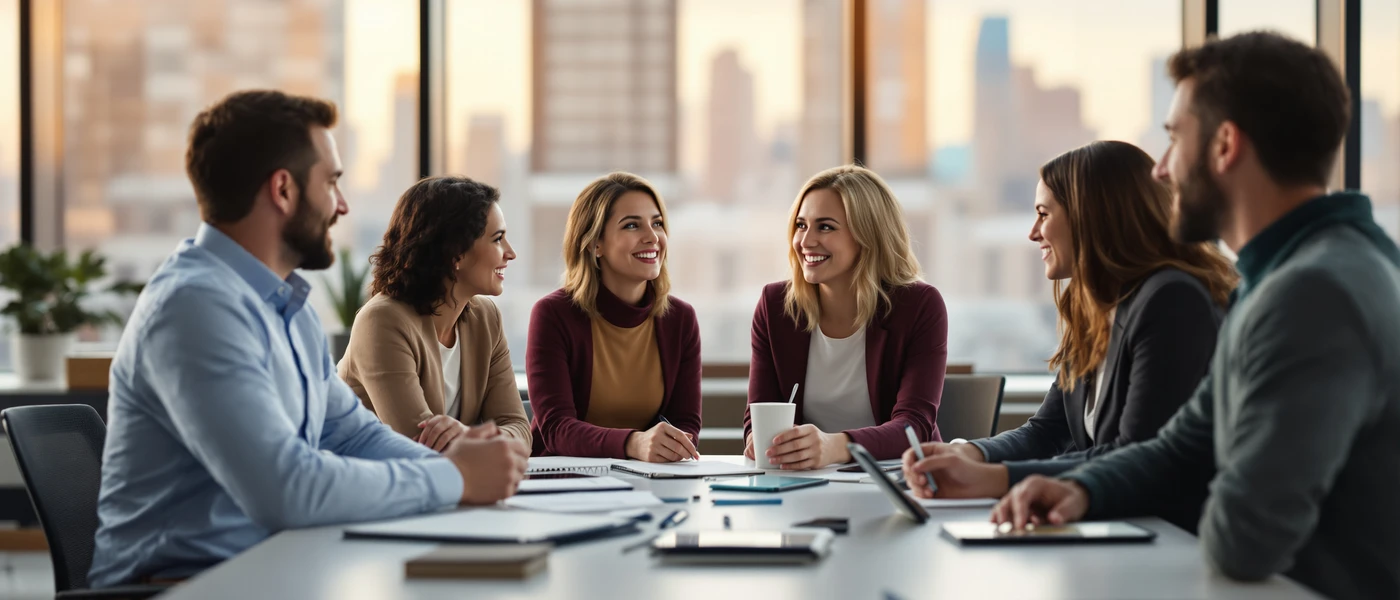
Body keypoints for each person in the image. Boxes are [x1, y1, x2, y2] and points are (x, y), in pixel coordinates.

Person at [991, 32, 1400, 600]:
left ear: (1225, 145)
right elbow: (1182, 446)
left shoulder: (1311, 295)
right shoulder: (1286, 276)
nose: (1160, 170)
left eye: (1174, 139)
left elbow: (1242, 539)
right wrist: (1084, 490)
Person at [88, 91, 528, 588]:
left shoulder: (287, 308)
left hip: (274, 566)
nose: (342, 205)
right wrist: (454, 477)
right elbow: (286, 488)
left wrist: (461, 467)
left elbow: (351, 434)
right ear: (283, 190)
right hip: (184, 583)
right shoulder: (194, 309)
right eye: (331, 182)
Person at [901, 141, 1236, 529]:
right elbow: (1048, 431)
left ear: (1092, 217)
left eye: (1043, 214)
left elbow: (1135, 454)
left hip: (1168, 534)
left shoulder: (1170, 300)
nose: (1033, 233)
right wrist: (969, 454)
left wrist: (994, 479)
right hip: (1116, 526)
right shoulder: (1093, 307)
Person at [744, 165, 948, 468]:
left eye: (825, 227)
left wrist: (835, 446)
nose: (805, 241)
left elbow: (914, 428)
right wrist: (759, 439)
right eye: (801, 225)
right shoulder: (775, 306)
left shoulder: (919, 306)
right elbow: (758, 414)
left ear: (868, 235)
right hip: (804, 481)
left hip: (899, 478)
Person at [338, 176, 530, 450]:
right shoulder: (381, 321)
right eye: (498, 239)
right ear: (456, 253)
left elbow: (519, 428)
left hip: (445, 474)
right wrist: (479, 439)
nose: (510, 253)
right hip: (369, 474)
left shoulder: (486, 318)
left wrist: (466, 436)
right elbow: (418, 444)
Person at [525, 172, 702, 462]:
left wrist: (670, 446)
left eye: (657, 223)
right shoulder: (553, 315)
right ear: (595, 244)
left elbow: (686, 424)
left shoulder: (680, 319)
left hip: (648, 476)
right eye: (632, 225)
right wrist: (633, 443)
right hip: (561, 476)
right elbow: (557, 428)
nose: (652, 237)